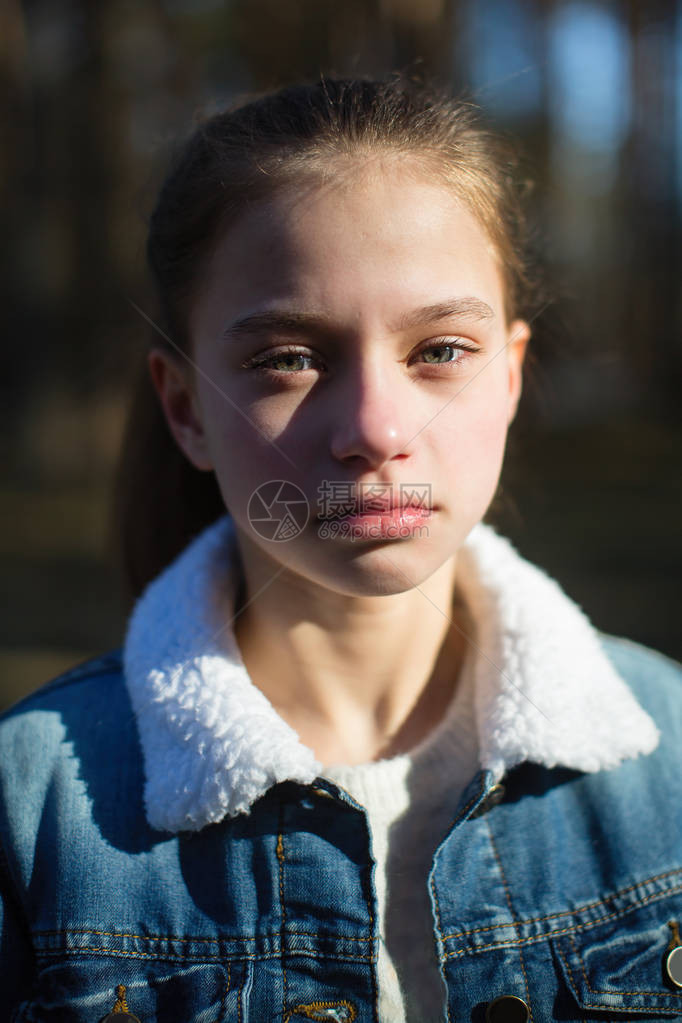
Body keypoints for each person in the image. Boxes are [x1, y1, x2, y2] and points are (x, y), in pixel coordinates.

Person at [1, 76, 681, 1023]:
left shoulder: (672, 757)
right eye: (289, 356)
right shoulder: (28, 811)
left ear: (512, 376)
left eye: (440, 349)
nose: (373, 427)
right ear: (186, 407)